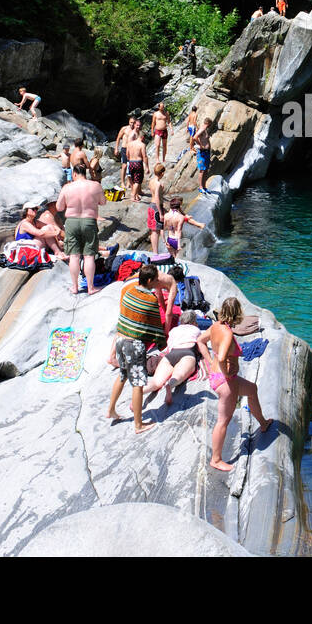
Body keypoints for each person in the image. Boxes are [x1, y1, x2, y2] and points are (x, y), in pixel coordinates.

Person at [200, 297, 272, 472]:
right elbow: (223, 357)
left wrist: (210, 363)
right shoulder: (227, 333)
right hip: (226, 382)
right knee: (222, 421)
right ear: (237, 314)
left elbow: (200, 341)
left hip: (217, 377)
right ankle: (216, 460)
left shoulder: (216, 326)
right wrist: (226, 374)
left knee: (252, 390)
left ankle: (263, 423)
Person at [106, 264, 166, 432]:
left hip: (120, 340)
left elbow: (125, 318)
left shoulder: (129, 292)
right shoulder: (151, 299)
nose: (157, 282)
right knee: (138, 384)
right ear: (149, 280)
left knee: (123, 374)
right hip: (134, 345)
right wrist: (162, 343)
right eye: (155, 280)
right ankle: (138, 424)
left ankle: (111, 410)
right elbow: (154, 325)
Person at [57, 164, 105, 295]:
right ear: (85, 173)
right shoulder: (95, 185)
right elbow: (103, 202)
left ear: (74, 174)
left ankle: (75, 287)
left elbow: (59, 207)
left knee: (74, 256)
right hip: (89, 221)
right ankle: (90, 288)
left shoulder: (67, 187)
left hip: (72, 222)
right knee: (89, 256)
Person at [145, 310, 204, 408]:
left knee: (156, 382)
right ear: (194, 322)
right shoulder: (196, 330)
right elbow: (201, 347)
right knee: (178, 375)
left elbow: (169, 347)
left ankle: (139, 393)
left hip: (171, 355)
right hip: (187, 353)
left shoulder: (173, 330)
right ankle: (170, 385)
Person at [124, 123, 148, 204]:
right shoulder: (142, 145)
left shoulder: (130, 144)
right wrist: (147, 167)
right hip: (138, 163)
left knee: (133, 180)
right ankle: (133, 196)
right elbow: (144, 156)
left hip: (130, 162)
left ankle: (135, 195)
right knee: (137, 181)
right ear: (142, 137)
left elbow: (127, 154)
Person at [147, 162, 167, 255]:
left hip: (151, 206)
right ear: (162, 173)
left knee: (153, 230)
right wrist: (161, 213)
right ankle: (155, 253)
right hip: (156, 207)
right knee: (156, 231)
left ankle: (155, 252)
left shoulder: (151, 181)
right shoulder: (158, 184)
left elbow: (153, 192)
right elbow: (157, 198)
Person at [193, 117, 213, 194]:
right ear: (208, 123)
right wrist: (200, 145)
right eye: (210, 124)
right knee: (202, 170)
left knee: (206, 170)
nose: (211, 125)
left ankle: (204, 187)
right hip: (202, 152)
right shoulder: (202, 129)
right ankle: (201, 187)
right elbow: (195, 137)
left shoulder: (205, 129)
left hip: (206, 152)